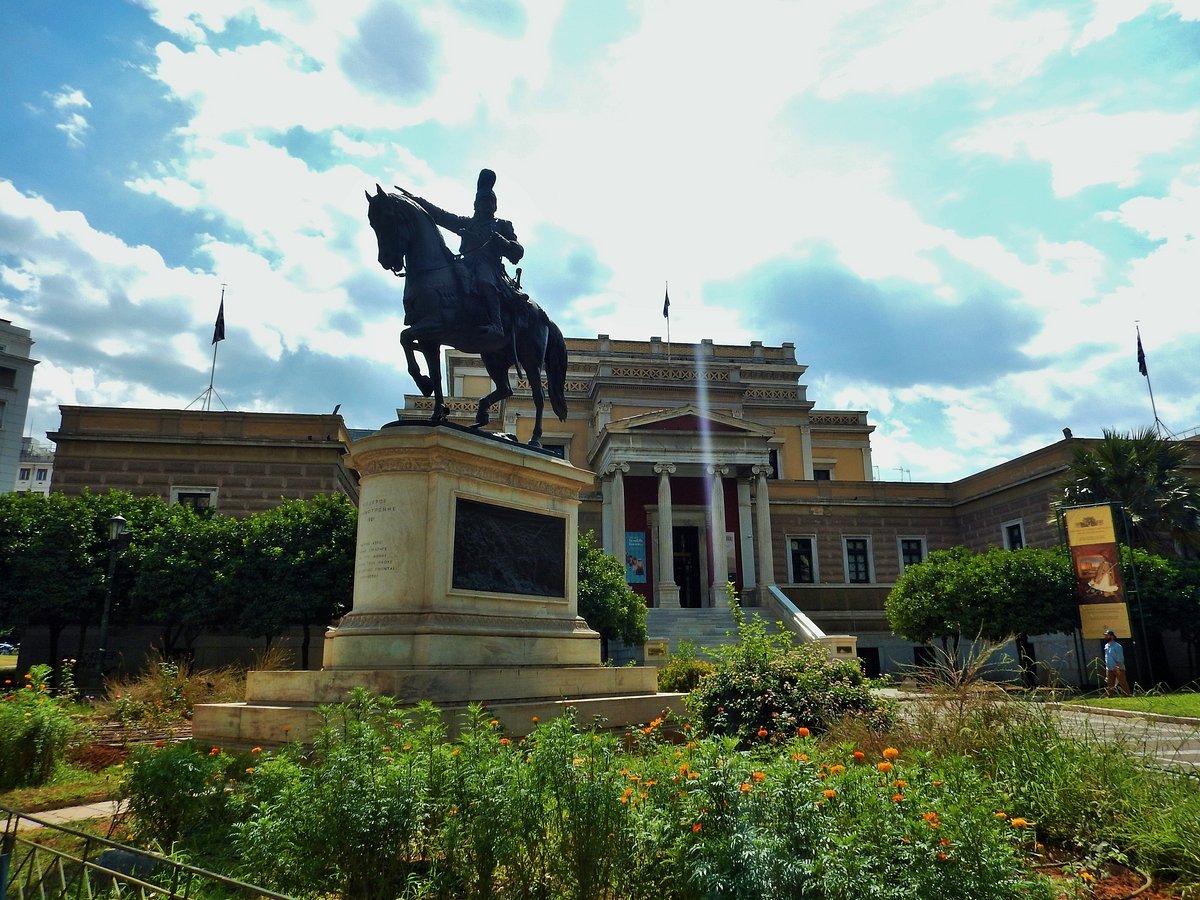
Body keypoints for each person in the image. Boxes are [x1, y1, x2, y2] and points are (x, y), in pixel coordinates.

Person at [406, 168, 524, 340]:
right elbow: (441, 215)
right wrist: (416, 201)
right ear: (476, 205)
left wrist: (503, 242)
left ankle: (497, 325)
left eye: (490, 202)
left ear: (495, 206)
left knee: (484, 279)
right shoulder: (467, 223)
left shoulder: (503, 225)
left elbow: (517, 252)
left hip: (489, 266)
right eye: (483, 202)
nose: (487, 206)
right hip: (465, 263)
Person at [1103, 629, 1131, 695]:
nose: (1105, 637)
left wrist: (1117, 666)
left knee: (1122, 682)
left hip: (1117, 667)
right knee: (1110, 683)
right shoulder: (1106, 646)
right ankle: (1110, 696)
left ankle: (1127, 694)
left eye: (1107, 635)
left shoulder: (1117, 646)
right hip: (1109, 667)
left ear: (1112, 636)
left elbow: (1120, 657)